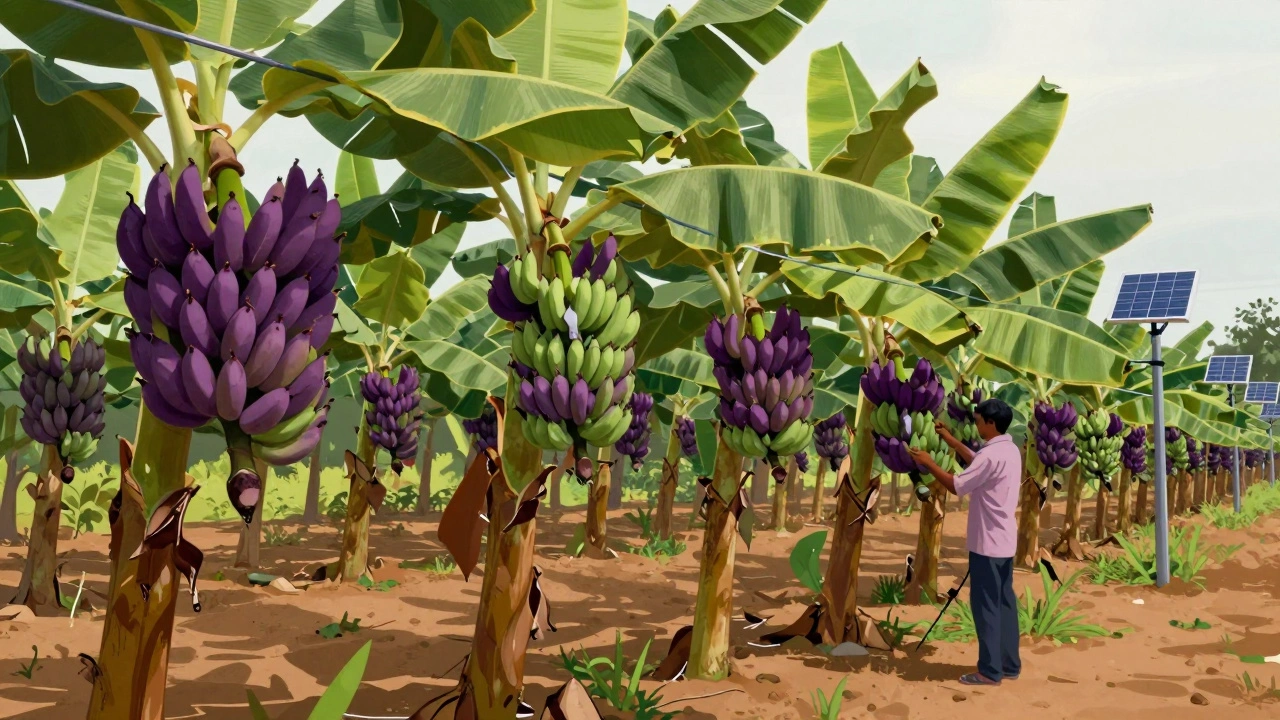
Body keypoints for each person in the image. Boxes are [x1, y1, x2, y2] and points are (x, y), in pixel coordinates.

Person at [908, 397, 1022, 687]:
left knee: (986, 607)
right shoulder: (1008, 449)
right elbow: (979, 464)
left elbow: (957, 485)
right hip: (1005, 541)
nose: (976, 423)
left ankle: (989, 671)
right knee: (1005, 604)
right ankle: (1009, 665)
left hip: (987, 543)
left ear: (991, 423)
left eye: (979, 420)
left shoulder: (991, 456)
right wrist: (951, 440)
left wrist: (928, 462)